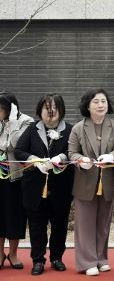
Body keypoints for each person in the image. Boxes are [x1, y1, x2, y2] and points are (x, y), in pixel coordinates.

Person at [15, 94, 74, 275]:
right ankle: (38, 260)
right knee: (36, 226)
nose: (51, 112)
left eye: (54, 108)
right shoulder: (32, 129)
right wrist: (34, 160)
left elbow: (74, 151)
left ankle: (57, 258)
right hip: (34, 187)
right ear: (40, 110)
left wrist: (61, 158)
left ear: (61, 110)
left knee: (59, 225)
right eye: (46, 108)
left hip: (61, 187)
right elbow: (19, 151)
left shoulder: (70, 130)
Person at [68, 88, 114, 276]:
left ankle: (101, 258)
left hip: (107, 182)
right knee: (85, 224)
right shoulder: (78, 128)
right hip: (85, 182)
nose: (101, 105)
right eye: (96, 102)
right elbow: (72, 153)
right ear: (87, 106)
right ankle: (87, 262)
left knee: (103, 224)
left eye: (103, 101)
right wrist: (80, 160)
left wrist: (112, 155)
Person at [0, 93, 34, 270]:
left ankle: (13, 254)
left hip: (16, 176)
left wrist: (12, 123)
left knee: (15, 216)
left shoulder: (26, 121)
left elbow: (16, 145)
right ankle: (0, 253)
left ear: (10, 108)